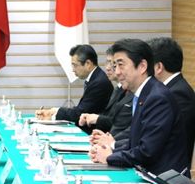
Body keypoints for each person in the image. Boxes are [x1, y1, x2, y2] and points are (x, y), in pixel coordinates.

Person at [90, 38, 189, 175]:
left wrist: (109, 157)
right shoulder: (144, 93)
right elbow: (135, 142)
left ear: (142, 66)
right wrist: (109, 148)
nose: (117, 72)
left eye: (121, 65)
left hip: (163, 182)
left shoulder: (157, 97)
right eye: (115, 66)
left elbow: (147, 151)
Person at [36, 44, 113, 126]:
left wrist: (53, 112)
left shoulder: (99, 83)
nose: (73, 70)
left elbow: (79, 113)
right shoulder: (95, 78)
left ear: (88, 64)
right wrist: (53, 112)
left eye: (75, 65)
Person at [147, 37, 195, 159]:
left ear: (158, 67)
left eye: (147, 65)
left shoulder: (178, 93)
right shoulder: (169, 89)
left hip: (167, 169)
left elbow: (158, 135)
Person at [79, 47, 133, 135]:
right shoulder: (119, 88)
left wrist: (97, 119)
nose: (108, 68)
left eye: (113, 64)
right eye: (107, 62)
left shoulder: (131, 90)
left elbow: (121, 124)